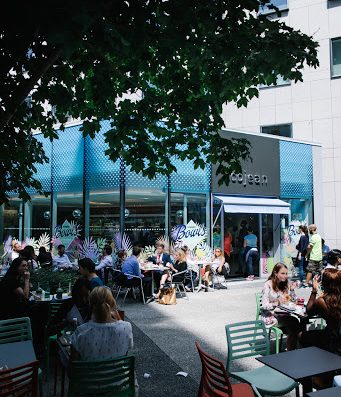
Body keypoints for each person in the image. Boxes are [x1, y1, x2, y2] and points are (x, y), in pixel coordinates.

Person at [70, 286, 133, 361]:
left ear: (90, 305)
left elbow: (74, 363)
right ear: (113, 303)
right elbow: (125, 354)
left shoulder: (81, 331)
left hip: (89, 372)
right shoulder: (126, 327)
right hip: (118, 372)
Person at [300, 269, 341, 354]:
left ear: (325, 283)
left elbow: (309, 311)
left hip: (332, 339)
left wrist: (314, 290)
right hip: (337, 336)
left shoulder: (321, 301)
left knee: (301, 335)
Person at [262, 263, 300, 350]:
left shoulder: (285, 284)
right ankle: (292, 350)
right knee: (295, 323)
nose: (285, 276)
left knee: (296, 325)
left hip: (283, 314)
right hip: (270, 316)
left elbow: (294, 301)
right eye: (282, 273)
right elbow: (264, 306)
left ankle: (292, 348)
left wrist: (293, 289)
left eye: (286, 273)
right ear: (275, 273)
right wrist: (277, 302)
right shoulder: (268, 285)